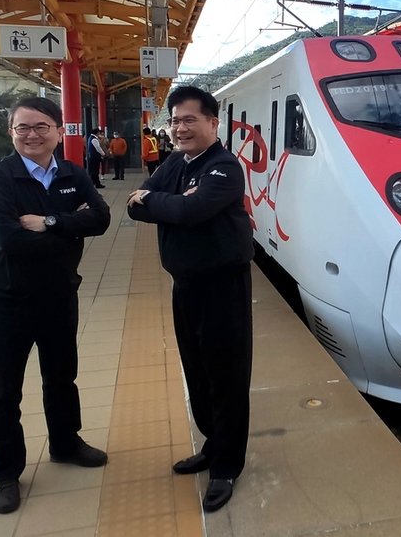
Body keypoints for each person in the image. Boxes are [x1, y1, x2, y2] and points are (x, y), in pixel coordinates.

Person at [0, 96, 111, 514]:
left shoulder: (72, 173)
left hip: (59, 294)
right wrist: (72, 229)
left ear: (58, 130)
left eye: (40, 127)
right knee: (3, 391)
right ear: (11, 132)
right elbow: (11, 240)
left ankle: (66, 443)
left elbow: (103, 219)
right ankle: (5, 473)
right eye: (22, 128)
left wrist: (49, 222)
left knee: (61, 377)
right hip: (8, 299)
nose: (32, 135)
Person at [127, 86, 254, 513]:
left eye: (189, 120)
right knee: (197, 373)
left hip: (223, 289)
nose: (180, 128)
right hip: (186, 287)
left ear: (213, 124)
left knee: (226, 378)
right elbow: (133, 205)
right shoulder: (174, 164)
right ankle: (212, 445)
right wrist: (167, 202)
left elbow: (190, 213)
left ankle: (226, 467)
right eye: (175, 121)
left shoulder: (223, 168)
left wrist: (162, 203)